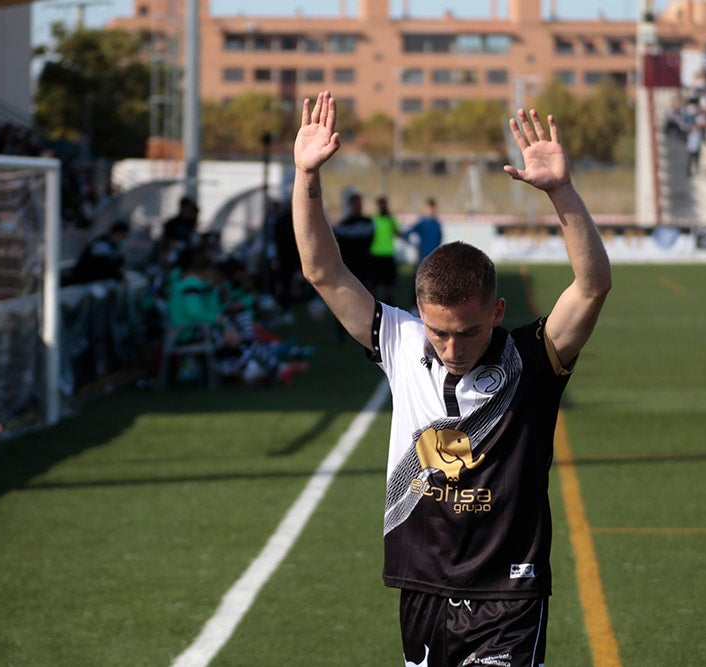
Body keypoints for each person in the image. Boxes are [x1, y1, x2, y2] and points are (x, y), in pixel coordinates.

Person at [292, 90, 612, 667]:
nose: (451, 346)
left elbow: (591, 287)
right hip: (422, 585)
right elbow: (322, 269)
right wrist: (307, 176)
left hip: (507, 595)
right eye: (439, 332)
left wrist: (561, 192)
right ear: (419, 312)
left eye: (467, 331)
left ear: (496, 311)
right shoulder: (399, 340)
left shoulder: (533, 358)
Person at [65, 220, 130, 285]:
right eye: (123, 236)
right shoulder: (101, 244)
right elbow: (106, 266)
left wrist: (120, 257)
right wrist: (120, 278)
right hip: (82, 280)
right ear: (118, 234)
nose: (123, 240)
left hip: (92, 280)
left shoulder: (113, 245)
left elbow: (114, 265)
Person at [369, 195, 402, 305]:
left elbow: (398, 234)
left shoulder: (391, 219)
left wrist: (393, 225)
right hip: (376, 255)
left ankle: (389, 308)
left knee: (389, 286)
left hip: (388, 254)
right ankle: (375, 308)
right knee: (375, 285)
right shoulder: (374, 220)